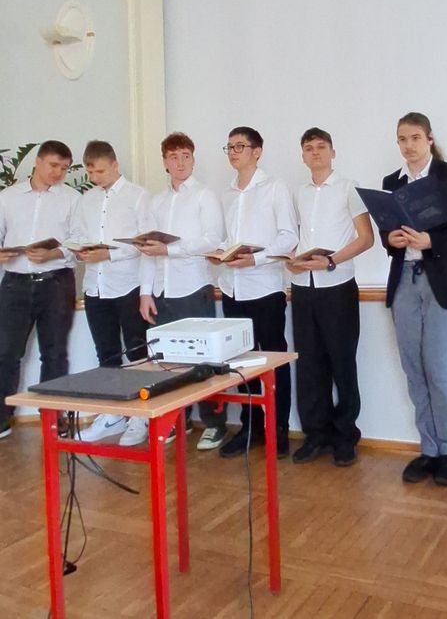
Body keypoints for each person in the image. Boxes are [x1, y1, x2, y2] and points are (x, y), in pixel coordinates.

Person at [381, 113, 447, 485]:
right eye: (402, 139)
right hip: (405, 278)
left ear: (430, 139)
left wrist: (431, 240)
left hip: (443, 281)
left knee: (438, 367)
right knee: (414, 367)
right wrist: (391, 240)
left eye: (415, 138)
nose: (409, 145)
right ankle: (429, 449)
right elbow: (387, 231)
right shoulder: (392, 182)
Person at [288, 127, 374, 466]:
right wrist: (292, 260)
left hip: (337, 286)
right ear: (302, 156)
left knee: (342, 363)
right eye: (309, 148)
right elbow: (296, 238)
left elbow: (366, 238)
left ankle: (345, 436)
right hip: (303, 287)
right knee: (309, 365)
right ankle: (316, 435)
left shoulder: (349, 187)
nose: (315, 152)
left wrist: (332, 260)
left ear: (333, 153)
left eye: (321, 147)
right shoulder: (299, 192)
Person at [138, 132, 227, 449]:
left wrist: (170, 250)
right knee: (168, 360)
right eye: (174, 157)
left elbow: (212, 240)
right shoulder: (156, 201)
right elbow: (148, 250)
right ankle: (179, 419)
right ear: (165, 162)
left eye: (186, 156)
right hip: (163, 291)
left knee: (204, 358)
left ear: (193, 159)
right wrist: (145, 293)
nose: (180, 162)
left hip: (193, 287)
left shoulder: (205, 195)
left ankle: (214, 423)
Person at [213, 126, 298, 460]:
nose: (233, 152)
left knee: (273, 360)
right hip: (233, 287)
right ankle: (250, 428)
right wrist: (220, 252)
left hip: (265, 287)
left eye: (240, 146)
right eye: (229, 147)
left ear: (257, 151)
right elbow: (228, 238)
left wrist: (256, 259)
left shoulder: (275, 187)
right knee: (240, 362)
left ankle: (278, 429)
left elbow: (288, 237)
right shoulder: (227, 193)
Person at [72, 140, 150, 443]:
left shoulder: (138, 196)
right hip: (95, 286)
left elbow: (145, 244)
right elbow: (78, 235)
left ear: (115, 165)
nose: (95, 177)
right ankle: (112, 415)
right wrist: (81, 251)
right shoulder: (86, 200)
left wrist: (110, 254)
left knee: (137, 352)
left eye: (100, 171)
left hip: (128, 285)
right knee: (105, 352)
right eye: (91, 172)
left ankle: (140, 418)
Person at [0, 140, 79, 438]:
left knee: (55, 353)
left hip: (56, 282)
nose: (58, 173)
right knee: (6, 353)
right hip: (15, 284)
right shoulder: (7, 197)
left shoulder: (72, 199)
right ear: (38, 162)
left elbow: (78, 242)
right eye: (53, 165)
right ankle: (1, 419)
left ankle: (54, 420)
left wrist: (53, 254)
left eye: (64, 168)